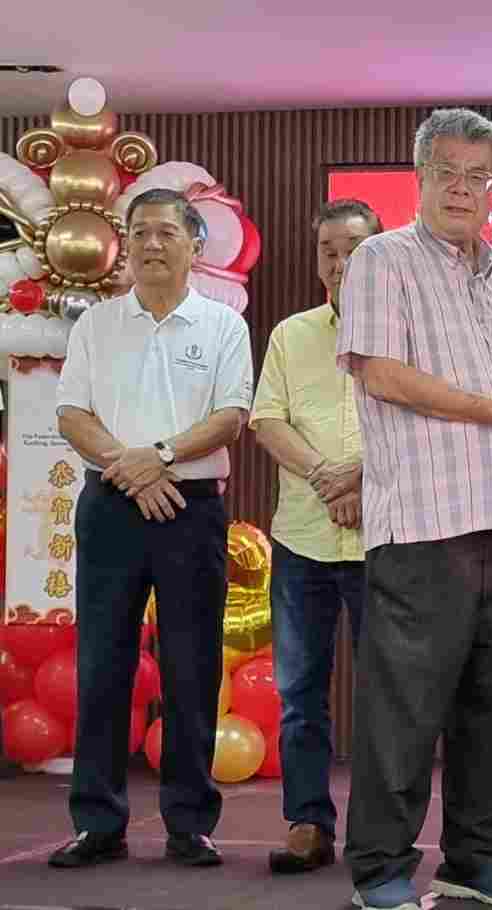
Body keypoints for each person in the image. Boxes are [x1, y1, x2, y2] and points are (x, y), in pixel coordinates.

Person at [337, 108, 492, 910]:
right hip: (422, 525)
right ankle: (381, 870)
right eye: (449, 172)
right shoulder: (381, 259)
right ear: (420, 177)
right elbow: (383, 375)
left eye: (479, 177)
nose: (463, 189)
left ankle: (476, 858)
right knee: (404, 708)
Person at [50, 187, 254, 869]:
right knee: (102, 665)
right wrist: (131, 466)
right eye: (140, 233)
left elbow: (231, 415)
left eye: (167, 232)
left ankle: (189, 824)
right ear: (124, 246)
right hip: (112, 505)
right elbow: (71, 415)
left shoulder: (223, 324)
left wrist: (160, 456)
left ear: (195, 245)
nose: (152, 245)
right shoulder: (95, 325)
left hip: (190, 508)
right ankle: (97, 823)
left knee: (191, 667)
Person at [250, 198, 382, 874]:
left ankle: (376, 831)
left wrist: (361, 478)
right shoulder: (290, 334)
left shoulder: (405, 333)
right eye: (328, 249)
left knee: (384, 695)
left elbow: (421, 424)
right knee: (298, 692)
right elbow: (266, 419)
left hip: (382, 542)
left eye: (353, 248)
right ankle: (307, 822)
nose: (339, 262)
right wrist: (329, 477)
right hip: (303, 538)